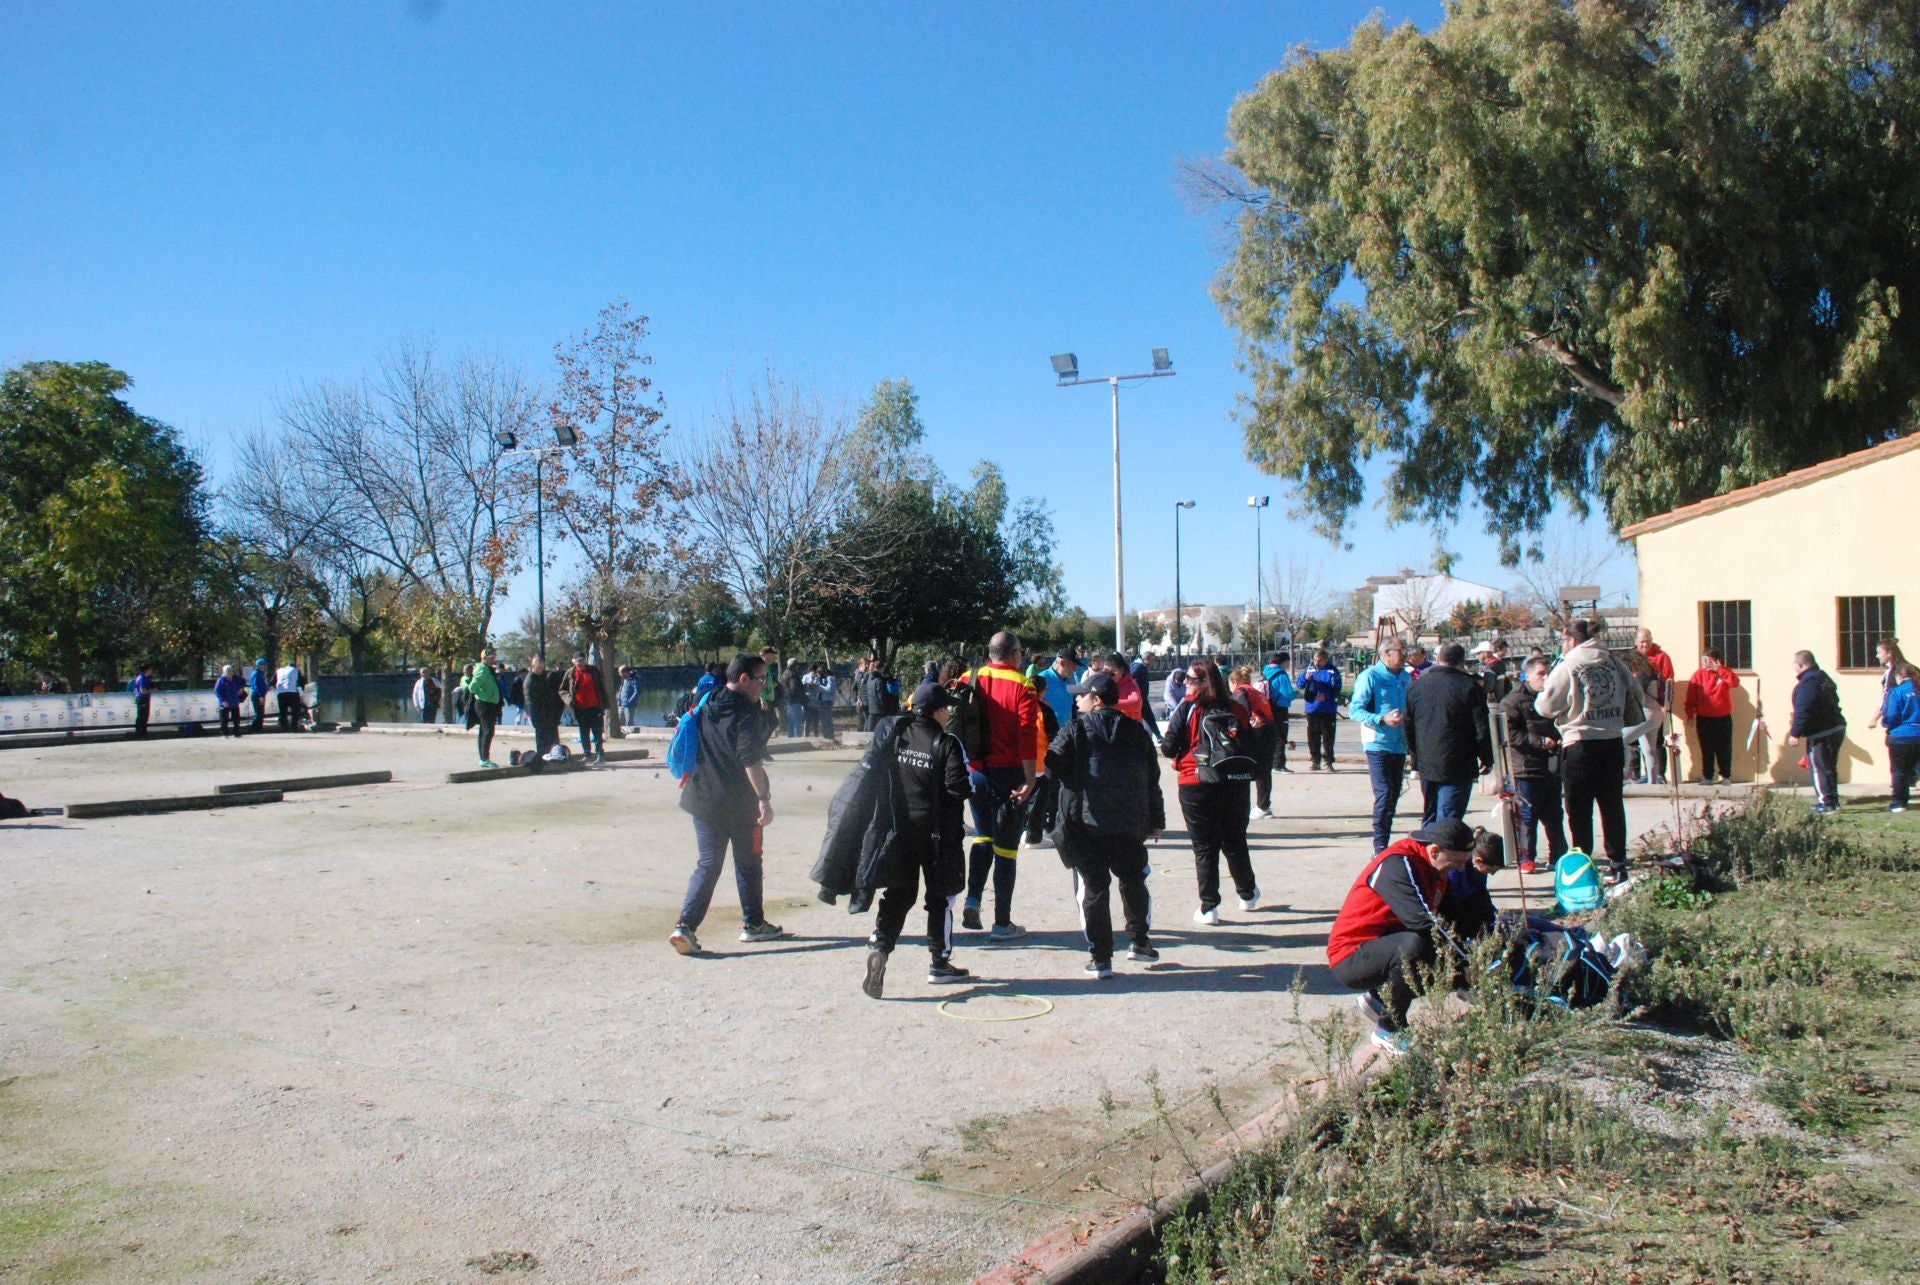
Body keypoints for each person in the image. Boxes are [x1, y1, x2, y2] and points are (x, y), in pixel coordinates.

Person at [1047, 670, 1165, 977]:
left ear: (1096, 700)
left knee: (1095, 887)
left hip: (1086, 825)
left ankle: (1101, 957)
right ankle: (1139, 940)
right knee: (1133, 878)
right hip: (1129, 822)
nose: (1077, 698)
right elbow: (1153, 778)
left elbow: (1052, 765)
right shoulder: (1137, 731)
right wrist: (1157, 819)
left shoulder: (1075, 728)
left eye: (1082, 694)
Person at [1326, 817, 1477, 1055]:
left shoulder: (1436, 868)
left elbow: (1453, 919)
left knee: (1441, 952)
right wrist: (1470, 964)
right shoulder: (1398, 862)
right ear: (1435, 850)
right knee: (1416, 946)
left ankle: (1377, 999)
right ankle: (1389, 1029)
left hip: (1383, 946)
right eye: (1457, 861)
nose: (1460, 869)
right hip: (1351, 956)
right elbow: (1420, 920)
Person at [863, 681, 975, 997]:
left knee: (899, 893)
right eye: (947, 708)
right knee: (941, 898)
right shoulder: (947, 743)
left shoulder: (897, 736)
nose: (949, 713)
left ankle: (881, 946)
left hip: (900, 830)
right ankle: (939, 964)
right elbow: (959, 788)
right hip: (939, 835)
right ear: (938, 711)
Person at [670, 653, 785, 954]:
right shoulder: (746, 714)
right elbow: (750, 758)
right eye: (761, 679)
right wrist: (764, 799)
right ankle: (754, 924)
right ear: (744, 678)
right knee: (748, 863)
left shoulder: (708, 698)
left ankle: (685, 926)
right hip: (739, 802)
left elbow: (681, 707)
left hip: (702, 798)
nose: (764, 685)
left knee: (707, 865)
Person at [1537, 619, 1643, 885]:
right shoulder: (1614, 662)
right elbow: (1636, 693)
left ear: (1572, 640)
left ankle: (1585, 866)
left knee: (1579, 808)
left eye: (1563, 640)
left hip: (1579, 743)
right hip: (1611, 741)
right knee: (1612, 806)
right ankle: (1618, 864)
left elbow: (1546, 706)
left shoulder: (1569, 665)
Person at [1161, 658, 1259, 924]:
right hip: (1234, 779)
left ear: (1206, 681)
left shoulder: (1188, 708)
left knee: (1204, 846)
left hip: (1195, 781)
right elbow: (1249, 743)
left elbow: (1168, 748)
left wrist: (1181, 746)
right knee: (1235, 839)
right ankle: (1247, 893)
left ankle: (1208, 907)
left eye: (1191, 679)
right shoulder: (1236, 708)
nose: (1186, 684)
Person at [960, 632, 1041, 941]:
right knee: (1006, 848)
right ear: (1015, 655)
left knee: (982, 836)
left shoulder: (970, 677)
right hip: (1008, 775)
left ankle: (973, 900)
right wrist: (1030, 779)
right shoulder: (1024, 685)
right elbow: (1026, 736)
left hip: (976, 772)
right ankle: (1002, 923)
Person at [1403, 641, 1492, 827]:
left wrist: (1416, 757)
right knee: (1449, 817)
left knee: (1430, 812)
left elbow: (1409, 726)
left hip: (1427, 759)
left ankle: (1427, 850)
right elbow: (1481, 728)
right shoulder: (1469, 687)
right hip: (1458, 760)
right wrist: (1486, 757)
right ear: (1462, 662)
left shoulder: (1417, 686)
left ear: (1437, 659)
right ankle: (1443, 850)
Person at [1499, 656, 1567, 874]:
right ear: (1527, 675)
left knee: (1554, 814)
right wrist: (1538, 742)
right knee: (1528, 815)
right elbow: (1510, 734)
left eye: (1548, 673)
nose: (1546, 678)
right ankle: (1526, 857)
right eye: (1540, 674)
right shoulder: (1513, 700)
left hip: (1551, 765)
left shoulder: (1554, 698)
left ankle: (1558, 855)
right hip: (1526, 768)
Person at [1349, 639, 1413, 853]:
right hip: (1377, 742)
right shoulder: (1370, 676)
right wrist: (1381, 719)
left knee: (1394, 792)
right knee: (1384, 792)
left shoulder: (1405, 676)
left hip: (1399, 744)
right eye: (1400, 650)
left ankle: (1385, 837)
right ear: (1386, 653)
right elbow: (1355, 710)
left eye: (1406, 650)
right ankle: (1379, 844)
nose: (1404, 654)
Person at [1787, 650, 1846, 815]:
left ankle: (1826, 803)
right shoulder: (1823, 677)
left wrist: (1795, 733)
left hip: (1821, 732)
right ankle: (1833, 801)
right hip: (1836, 726)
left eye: (1794, 664)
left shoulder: (1808, 683)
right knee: (1829, 767)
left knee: (1819, 768)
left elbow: (1803, 709)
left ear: (1800, 664)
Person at [1683, 648, 1741, 784]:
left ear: (1716, 660)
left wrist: (1720, 670)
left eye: (1708, 660)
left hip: (1723, 717)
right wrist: (1690, 715)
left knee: (1724, 748)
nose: (1705, 663)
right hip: (1704, 718)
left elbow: (1735, 683)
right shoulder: (1698, 675)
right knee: (1706, 749)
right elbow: (1690, 697)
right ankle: (1708, 776)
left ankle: (1726, 776)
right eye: (1703, 660)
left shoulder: (1725, 672)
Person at [1228, 665, 1277, 820]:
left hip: (1260, 731)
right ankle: (1263, 805)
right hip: (1269, 729)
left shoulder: (1241, 691)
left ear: (1234, 682)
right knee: (1264, 769)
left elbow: (1242, 711)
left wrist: (1239, 730)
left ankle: (1260, 806)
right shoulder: (1254, 690)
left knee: (1252, 767)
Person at [1879, 663, 1920, 813]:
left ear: (1899, 676)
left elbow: (1891, 715)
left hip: (1901, 736)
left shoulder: (1896, 692)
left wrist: (1885, 723)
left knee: (1899, 771)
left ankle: (1899, 803)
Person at [1298, 649, 1343, 771]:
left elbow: (1337, 688)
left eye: (1320, 660)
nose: (1317, 663)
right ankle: (1315, 761)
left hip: (1327, 709)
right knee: (1312, 736)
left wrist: (1327, 695)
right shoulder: (1309, 669)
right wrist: (1305, 679)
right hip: (1312, 709)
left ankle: (1328, 761)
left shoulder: (1332, 670)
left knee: (1328, 737)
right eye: (1315, 660)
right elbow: (1299, 684)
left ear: (1325, 660)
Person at [562, 653, 608, 765]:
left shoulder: (593, 671)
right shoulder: (570, 673)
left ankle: (600, 754)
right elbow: (562, 690)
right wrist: (569, 700)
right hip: (579, 708)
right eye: (578, 660)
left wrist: (605, 704)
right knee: (583, 732)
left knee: (597, 732)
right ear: (573, 661)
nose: (580, 663)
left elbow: (601, 687)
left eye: (582, 660)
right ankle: (587, 754)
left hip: (595, 707)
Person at [461, 648, 504, 768]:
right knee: (488, 731)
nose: (492, 660)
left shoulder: (487, 669)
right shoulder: (482, 670)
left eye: (493, 657)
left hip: (488, 703)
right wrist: (482, 693)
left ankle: (483, 758)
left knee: (484, 731)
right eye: (490, 658)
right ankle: (485, 758)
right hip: (484, 704)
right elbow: (473, 687)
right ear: (484, 658)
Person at [1262, 652, 1297, 773]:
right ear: (1284, 662)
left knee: (1271, 735)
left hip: (1268, 706)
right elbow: (1288, 693)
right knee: (1281, 735)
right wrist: (1297, 694)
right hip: (1280, 707)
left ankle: (1271, 762)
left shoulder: (1265, 671)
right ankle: (1279, 764)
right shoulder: (1281, 674)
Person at [523, 656, 564, 758]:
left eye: (542, 667)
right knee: (542, 738)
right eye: (539, 667)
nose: (541, 670)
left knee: (553, 737)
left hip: (549, 713)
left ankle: (554, 755)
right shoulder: (531, 680)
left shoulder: (542, 678)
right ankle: (542, 756)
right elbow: (531, 701)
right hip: (539, 714)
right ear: (532, 667)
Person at [1869, 639, 1909, 731]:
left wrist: (1874, 718)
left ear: (1889, 653)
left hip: (1899, 721)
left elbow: (1886, 696)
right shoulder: (1907, 668)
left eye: (1879, 652)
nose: (1877, 656)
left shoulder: (1895, 672)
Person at [1129, 654, 1160, 740]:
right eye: (1152, 660)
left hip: (1141, 697)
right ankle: (1158, 736)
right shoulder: (1138, 667)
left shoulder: (1139, 666)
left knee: (1148, 718)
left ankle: (1158, 735)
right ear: (1147, 659)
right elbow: (1130, 677)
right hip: (1140, 697)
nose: (1153, 663)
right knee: (1149, 718)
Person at [213, 664, 244, 738]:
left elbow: (243, 681)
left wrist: (241, 688)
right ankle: (225, 734)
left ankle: (237, 733)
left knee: (236, 719)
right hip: (224, 703)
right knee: (224, 720)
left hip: (234, 702)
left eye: (231, 670)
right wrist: (223, 700)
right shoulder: (221, 680)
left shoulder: (235, 679)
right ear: (224, 672)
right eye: (228, 671)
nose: (230, 672)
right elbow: (217, 691)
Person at [275, 659, 305, 732]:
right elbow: (302, 681)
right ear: (294, 666)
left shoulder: (279, 670)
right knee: (295, 710)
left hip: (280, 692)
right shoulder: (295, 670)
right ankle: (294, 727)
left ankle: (284, 727)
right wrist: (302, 691)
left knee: (283, 711)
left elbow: (273, 682)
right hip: (292, 692)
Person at [781, 660, 808, 739]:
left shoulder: (784, 673)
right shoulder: (792, 674)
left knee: (790, 719)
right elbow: (794, 687)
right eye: (797, 665)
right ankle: (798, 737)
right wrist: (802, 695)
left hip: (787, 699)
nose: (798, 667)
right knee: (797, 719)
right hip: (794, 699)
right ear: (794, 665)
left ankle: (791, 736)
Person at [129, 663, 155, 738]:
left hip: (145, 699)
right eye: (150, 669)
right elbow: (142, 691)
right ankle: (140, 734)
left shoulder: (145, 678)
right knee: (142, 717)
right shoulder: (142, 678)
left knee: (144, 716)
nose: (151, 671)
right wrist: (152, 690)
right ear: (146, 670)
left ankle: (143, 733)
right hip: (142, 699)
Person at [248, 657, 272, 731]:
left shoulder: (261, 674)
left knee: (261, 712)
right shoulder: (256, 673)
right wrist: (260, 695)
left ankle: (259, 727)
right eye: (263, 665)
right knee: (258, 712)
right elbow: (256, 685)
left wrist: (267, 688)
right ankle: (254, 728)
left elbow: (262, 684)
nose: (265, 667)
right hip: (257, 695)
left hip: (261, 695)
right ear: (259, 665)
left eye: (265, 665)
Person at [617, 665, 641, 730]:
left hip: (629, 706)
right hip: (621, 705)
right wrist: (618, 700)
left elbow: (637, 692)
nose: (619, 674)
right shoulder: (624, 680)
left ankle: (631, 735)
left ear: (625, 672)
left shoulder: (634, 680)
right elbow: (621, 690)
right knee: (620, 723)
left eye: (620, 673)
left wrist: (629, 701)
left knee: (629, 723)